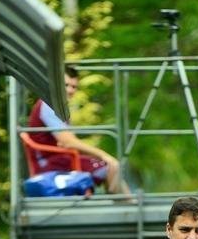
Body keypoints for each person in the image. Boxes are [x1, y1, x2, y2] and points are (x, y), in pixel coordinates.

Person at [28, 65, 132, 195]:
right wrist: (105, 156)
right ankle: (127, 207)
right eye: (65, 85)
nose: (70, 90)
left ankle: (126, 205)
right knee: (106, 166)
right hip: (49, 165)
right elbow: (68, 142)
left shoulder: (59, 108)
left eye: (73, 87)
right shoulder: (49, 106)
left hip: (59, 159)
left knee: (105, 166)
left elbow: (65, 142)